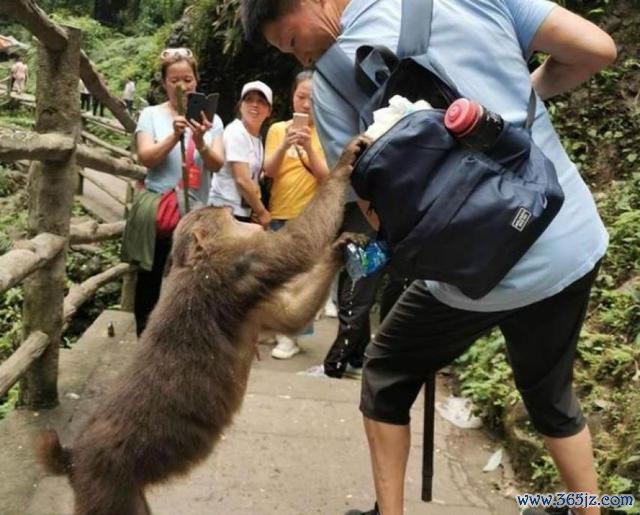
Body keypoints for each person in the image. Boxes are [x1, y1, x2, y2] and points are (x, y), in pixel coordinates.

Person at [242, 1, 617, 514]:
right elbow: (597, 49)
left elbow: (367, 204)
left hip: (471, 272)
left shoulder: (331, 77)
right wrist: (516, 103)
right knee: (551, 396)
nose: (299, 55)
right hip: (565, 240)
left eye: (289, 39)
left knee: (386, 372)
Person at [132, 47, 224, 335]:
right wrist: (174, 136)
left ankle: (180, 339)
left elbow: (217, 164)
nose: (182, 86)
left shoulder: (213, 121)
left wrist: (201, 139)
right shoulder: (150, 115)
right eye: (174, 80)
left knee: (190, 280)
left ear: (196, 80)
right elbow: (145, 157)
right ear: (164, 83)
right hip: (162, 212)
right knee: (150, 278)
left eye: (187, 78)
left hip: (195, 216)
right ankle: (144, 341)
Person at [262, 70, 330, 359]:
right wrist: (287, 144)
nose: (305, 104)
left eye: (312, 100)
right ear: (292, 96)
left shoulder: (327, 133)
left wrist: (307, 149)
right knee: (278, 278)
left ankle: (291, 336)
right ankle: (282, 331)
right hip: (280, 213)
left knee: (303, 281)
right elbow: (269, 171)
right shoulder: (278, 129)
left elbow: (327, 178)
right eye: (301, 97)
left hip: (311, 219)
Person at [208, 80, 273, 228]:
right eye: (248, 99)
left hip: (241, 212)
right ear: (240, 105)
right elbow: (242, 179)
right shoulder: (236, 132)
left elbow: (252, 177)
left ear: (269, 111)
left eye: (261, 101)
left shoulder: (257, 138)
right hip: (224, 212)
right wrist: (262, 212)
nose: (254, 104)